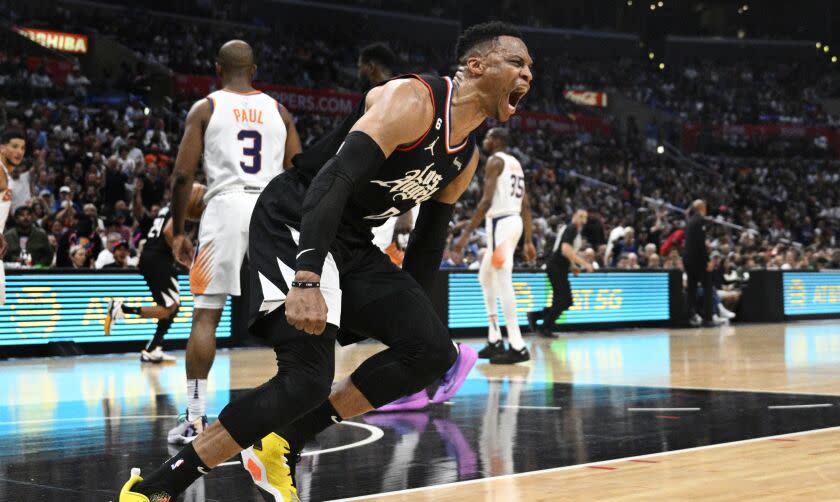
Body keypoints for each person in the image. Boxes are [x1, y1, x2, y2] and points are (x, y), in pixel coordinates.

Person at [119, 21, 532, 502]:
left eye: (531, 69)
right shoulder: (411, 100)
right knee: (306, 380)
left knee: (432, 350)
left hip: (351, 240)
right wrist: (308, 276)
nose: (527, 76)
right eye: (518, 63)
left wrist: (409, 318)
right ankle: (155, 489)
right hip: (295, 216)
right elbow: (331, 180)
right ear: (476, 66)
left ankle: (281, 442)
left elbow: (426, 246)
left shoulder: (464, 160)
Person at [164, 40, 301, 445]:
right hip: (271, 209)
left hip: (223, 207)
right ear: (254, 70)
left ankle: (194, 419)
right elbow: (299, 175)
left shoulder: (206, 108)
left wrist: (179, 231)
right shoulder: (280, 112)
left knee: (206, 315)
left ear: (217, 67)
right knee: (288, 317)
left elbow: (181, 177)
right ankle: (289, 418)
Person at [451, 127, 536, 364]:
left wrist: (465, 235)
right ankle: (495, 338)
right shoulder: (515, 163)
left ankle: (517, 345)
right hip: (511, 223)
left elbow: (487, 201)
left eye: (488, 137)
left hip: (501, 226)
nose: (485, 140)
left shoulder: (494, 161)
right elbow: (526, 204)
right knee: (485, 276)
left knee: (502, 278)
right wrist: (528, 240)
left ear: (497, 141)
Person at [105, 183, 206, 363]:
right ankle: (120, 309)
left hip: (152, 257)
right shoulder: (181, 207)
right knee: (170, 308)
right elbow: (169, 232)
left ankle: (153, 348)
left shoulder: (168, 207)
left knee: (172, 308)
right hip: (159, 258)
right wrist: (178, 252)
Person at [527, 209, 592, 338]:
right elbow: (565, 250)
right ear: (574, 216)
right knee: (564, 300)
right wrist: (585, 264)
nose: (583, 220)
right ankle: (544, 326)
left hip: (559, 268)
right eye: (580, 216)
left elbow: (563, 250)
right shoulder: (572, 228)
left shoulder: (572, 230)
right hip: (556, 267)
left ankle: (537, 317)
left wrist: (572, 265)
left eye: (585, 217)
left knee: (563, 301)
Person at [683, 199, 720, 327]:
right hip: (698, 260)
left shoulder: (689, 221)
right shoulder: (700, 221)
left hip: (688, 259)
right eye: (704, 206)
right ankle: (708, 318)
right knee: (708, 288)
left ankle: (689, 317)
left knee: (692, 289)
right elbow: (700, 245)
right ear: (701, 208)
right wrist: (708, 262)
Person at [0, 130, 26, 304]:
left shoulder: (6, 175)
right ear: (2, 148)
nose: (19, 152)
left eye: (23, 148)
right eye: (14, 146)